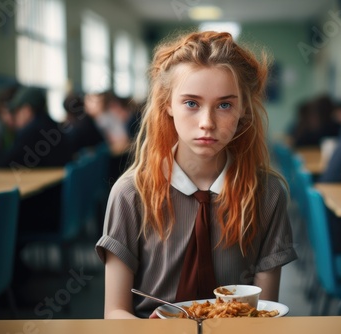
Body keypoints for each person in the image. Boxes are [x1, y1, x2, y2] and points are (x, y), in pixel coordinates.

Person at [95, 31, 297, 319]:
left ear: (243, 110)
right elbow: (115, 312)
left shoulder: (267, 193)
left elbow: (262, 313)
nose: (207, 123)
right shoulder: (130, 193)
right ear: (168, 105)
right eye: (191, 103)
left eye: (224, 105)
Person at [0, 86, 71, 168]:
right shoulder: (54, 125)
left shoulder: (31, 131)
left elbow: (6, 162)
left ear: (27, 110)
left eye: (16, 112)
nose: (15, 117)